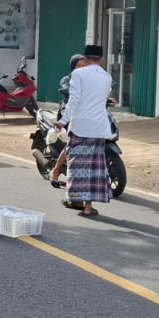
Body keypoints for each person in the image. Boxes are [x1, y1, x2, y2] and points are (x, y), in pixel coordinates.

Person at [56, 44, 114, 218]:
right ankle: (88, 207)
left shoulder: (78, 74)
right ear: (101, 60)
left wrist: (62, 121)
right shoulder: (107, 77)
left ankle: (75, 200)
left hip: (81, 125)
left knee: (79, 165)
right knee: (95, 168)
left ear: (85, 58)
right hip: (98, 128)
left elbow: (74, 100)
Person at [48, 53, 86, 189]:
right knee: (72, 142)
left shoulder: (88, 79)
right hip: (68, 109)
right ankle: (56, 171)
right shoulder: (67, 79)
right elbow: (69, 91)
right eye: (79, 65)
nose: (82, 68)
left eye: (84, 65)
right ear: (73, 67)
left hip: (84, 112)